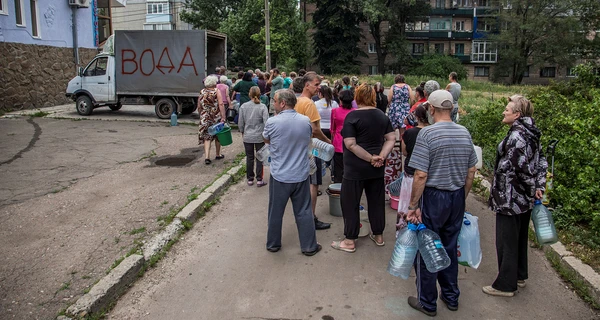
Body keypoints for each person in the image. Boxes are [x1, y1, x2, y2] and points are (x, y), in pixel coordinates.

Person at [405, 90, 478, 316]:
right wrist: (462, 197)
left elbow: (420, 175)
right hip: (456, 196)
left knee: (428, 248)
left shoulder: (427, 134)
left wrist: (413, 206)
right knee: (448, 246)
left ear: (432, 109)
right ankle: (451, 296)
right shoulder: (464, 132)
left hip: (434, 198)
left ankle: (427, 302)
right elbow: (471, 170)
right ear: (452, 109)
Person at [483, 95, 548, 297]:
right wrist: (539, 186)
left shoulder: (517, 136)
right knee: (519, 237)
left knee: (506, 240)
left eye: (507, 109)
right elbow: (541, 162)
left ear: (517, 115)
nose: (504, 112)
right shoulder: (531, 132)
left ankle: (505, 285)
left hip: (510, 196)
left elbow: (521, 169)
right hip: (523, 198)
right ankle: (519, 275)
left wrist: (531, 187)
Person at [330, 83, 395, 253]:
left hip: (355, 168)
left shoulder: (352, 117)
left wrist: (370, 158)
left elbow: (350, 144)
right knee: (376, 201)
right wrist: (380, 156)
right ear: (373, 97)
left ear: (357, 98)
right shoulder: (382, 116)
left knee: (350, 202)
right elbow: (391, 138)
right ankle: (378, 234)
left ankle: (350, 240)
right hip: (377, 167)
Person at [263, 89, 322, 256]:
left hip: (280, 174)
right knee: (304, 211)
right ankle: (309, 246)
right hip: (300, 174)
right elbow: (308, 138)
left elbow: (266, 139)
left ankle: (273, 244)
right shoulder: (305, 121)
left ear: (282, 103)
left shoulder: (272, 122)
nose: (273, 103)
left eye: (274, 100)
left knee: (275, 211)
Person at [295, 72, 332, 230]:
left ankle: (302, 214)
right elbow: (316, 130)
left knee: (302, 182)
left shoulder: (296, 101)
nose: (319, 88)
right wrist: (328, 141)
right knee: (314, 183)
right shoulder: (309, 104)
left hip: (297, 146)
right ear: (307, 85)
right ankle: (311, 217)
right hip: (310, 147)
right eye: (316, 84)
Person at [396, 104, 429, 232]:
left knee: (406, 203)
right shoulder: (432, 132)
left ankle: (403, 233)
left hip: (410, 172)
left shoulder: (409, 133)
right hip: (427, 174)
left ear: (417, 117)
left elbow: (404, 152)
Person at [239, 86, 269, 187]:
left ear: (249, 94)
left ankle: (250, 178)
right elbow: (266, 122)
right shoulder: (262, 107)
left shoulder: (243, 106)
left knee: (249, 157)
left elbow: (241, 122)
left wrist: (242, 131)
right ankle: (259, 179)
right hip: (260, 136)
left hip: (247, 136)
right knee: (260, 157)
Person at [197, 75, 227, 165]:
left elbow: (199, 105)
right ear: (214, 83)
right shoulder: (216, 91)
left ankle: (207, 157)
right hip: (215, 116)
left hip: (205, 117)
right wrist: (223, 116)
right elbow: (221, 104)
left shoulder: (202, 91)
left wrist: (201, 114)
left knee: (207, 137)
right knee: (217, 135)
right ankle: (218, 154)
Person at [330, 89, 354, 184]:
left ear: (340, 99)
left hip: (338, 142)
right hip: (352, 143)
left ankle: (337, 188)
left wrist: (332, 142)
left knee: (338, 169)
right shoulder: (355, 112)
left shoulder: (335, 111)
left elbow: (332, 129)